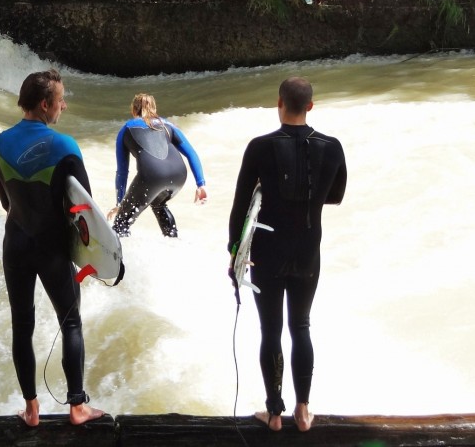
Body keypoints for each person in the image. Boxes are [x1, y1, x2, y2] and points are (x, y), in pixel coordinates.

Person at [227, 76, 346, 433]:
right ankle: (304, 411)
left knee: (271, 330)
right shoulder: (333, 146)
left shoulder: (259, 147)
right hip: (308, 250)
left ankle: (275, 414)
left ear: (279, 103)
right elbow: (336, 195)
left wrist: (235, 253)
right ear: (311, 106)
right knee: (301, 326)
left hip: (268, 252)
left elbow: (239, 209)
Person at [0, 69, 106, 427]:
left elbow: (5, 201)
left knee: (21, 325)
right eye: (60, 100)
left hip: (16, 243)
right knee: (70, 323)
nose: (64, 105)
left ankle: (31, 409)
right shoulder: (65, 146)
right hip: (52, 247)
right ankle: (77, 406)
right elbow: (86, 211)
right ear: (45, 104)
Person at [108, 93, 207, 238]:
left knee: (121, 224)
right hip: (179, 175)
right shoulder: (168, 125)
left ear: (133, 110)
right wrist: (201, 184)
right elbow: (192, 154)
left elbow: (122, 172)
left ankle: (122, 259)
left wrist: (120, 203)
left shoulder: (127, 128)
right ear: (154, 108)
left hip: (151, 177)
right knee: (158, 203)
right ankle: (173, 244)